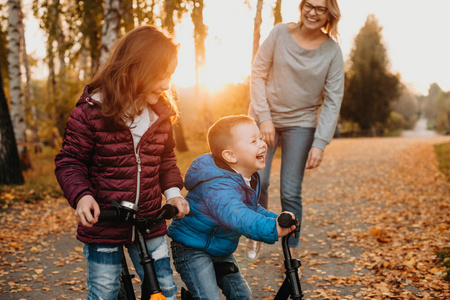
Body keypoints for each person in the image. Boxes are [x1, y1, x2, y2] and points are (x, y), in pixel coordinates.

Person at [54, 25, 190, 300]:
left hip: (149, 221)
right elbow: (70, 161)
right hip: (104, 223)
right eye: (161, 75)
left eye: (170, 76)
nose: (167, 84)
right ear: (135, 69)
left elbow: (166, 160)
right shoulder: (91, 112)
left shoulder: (160, 116)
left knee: (165, 289)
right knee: (104, 290)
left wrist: (173, 194)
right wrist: (82, 196)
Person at [247, 0, 344, 260]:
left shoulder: (332, 52)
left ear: (329, 14)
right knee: (259, 179)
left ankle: (289, 251)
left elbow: (333, 99)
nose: (313, 12)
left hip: (302, 123)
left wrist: (320, 142)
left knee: (290, 190)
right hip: (265, 117)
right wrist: (264, 118)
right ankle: (256, 231)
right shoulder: (279, 33)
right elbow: (257, 73)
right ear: (301, 6)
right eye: (309, 5)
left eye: (320, 8)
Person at [168, 115, 296, 300]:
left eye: (260, 137)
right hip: (192, 249)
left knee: (241, 295)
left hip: (220, 248)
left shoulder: (244, 178)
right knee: (208, 297)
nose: (262, 144)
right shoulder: (217, 186)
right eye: (254, 141)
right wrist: (271, 229)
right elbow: (237, 215)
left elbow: (251, 209)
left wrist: (276, 220)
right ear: (230, 155)